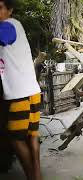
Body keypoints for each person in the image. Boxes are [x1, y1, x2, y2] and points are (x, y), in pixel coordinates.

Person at [0, 0, 42, 179]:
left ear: (10, 10)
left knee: (16, 139)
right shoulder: (17, 26)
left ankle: (32, 177)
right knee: (32, 136)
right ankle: (37, 176)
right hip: (32, 91)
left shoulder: (7, 26)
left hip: (19, 95)